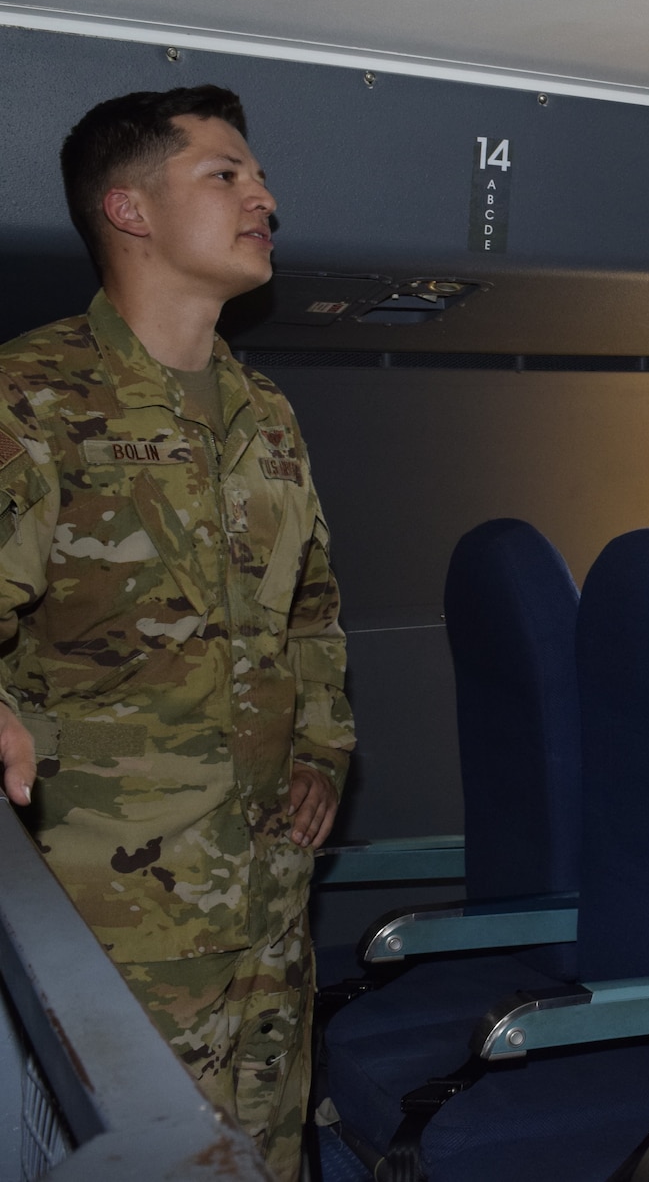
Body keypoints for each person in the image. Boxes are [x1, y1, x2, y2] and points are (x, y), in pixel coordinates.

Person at [0, 86, 352, 1181]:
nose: (265, 197)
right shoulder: (34, 396)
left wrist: (324, 748)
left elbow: (313, 608)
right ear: (131, 208)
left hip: (265, 892)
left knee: (270, 1149)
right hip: (116, 916)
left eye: (256, 177)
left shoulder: (266, 412)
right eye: (226, 174)